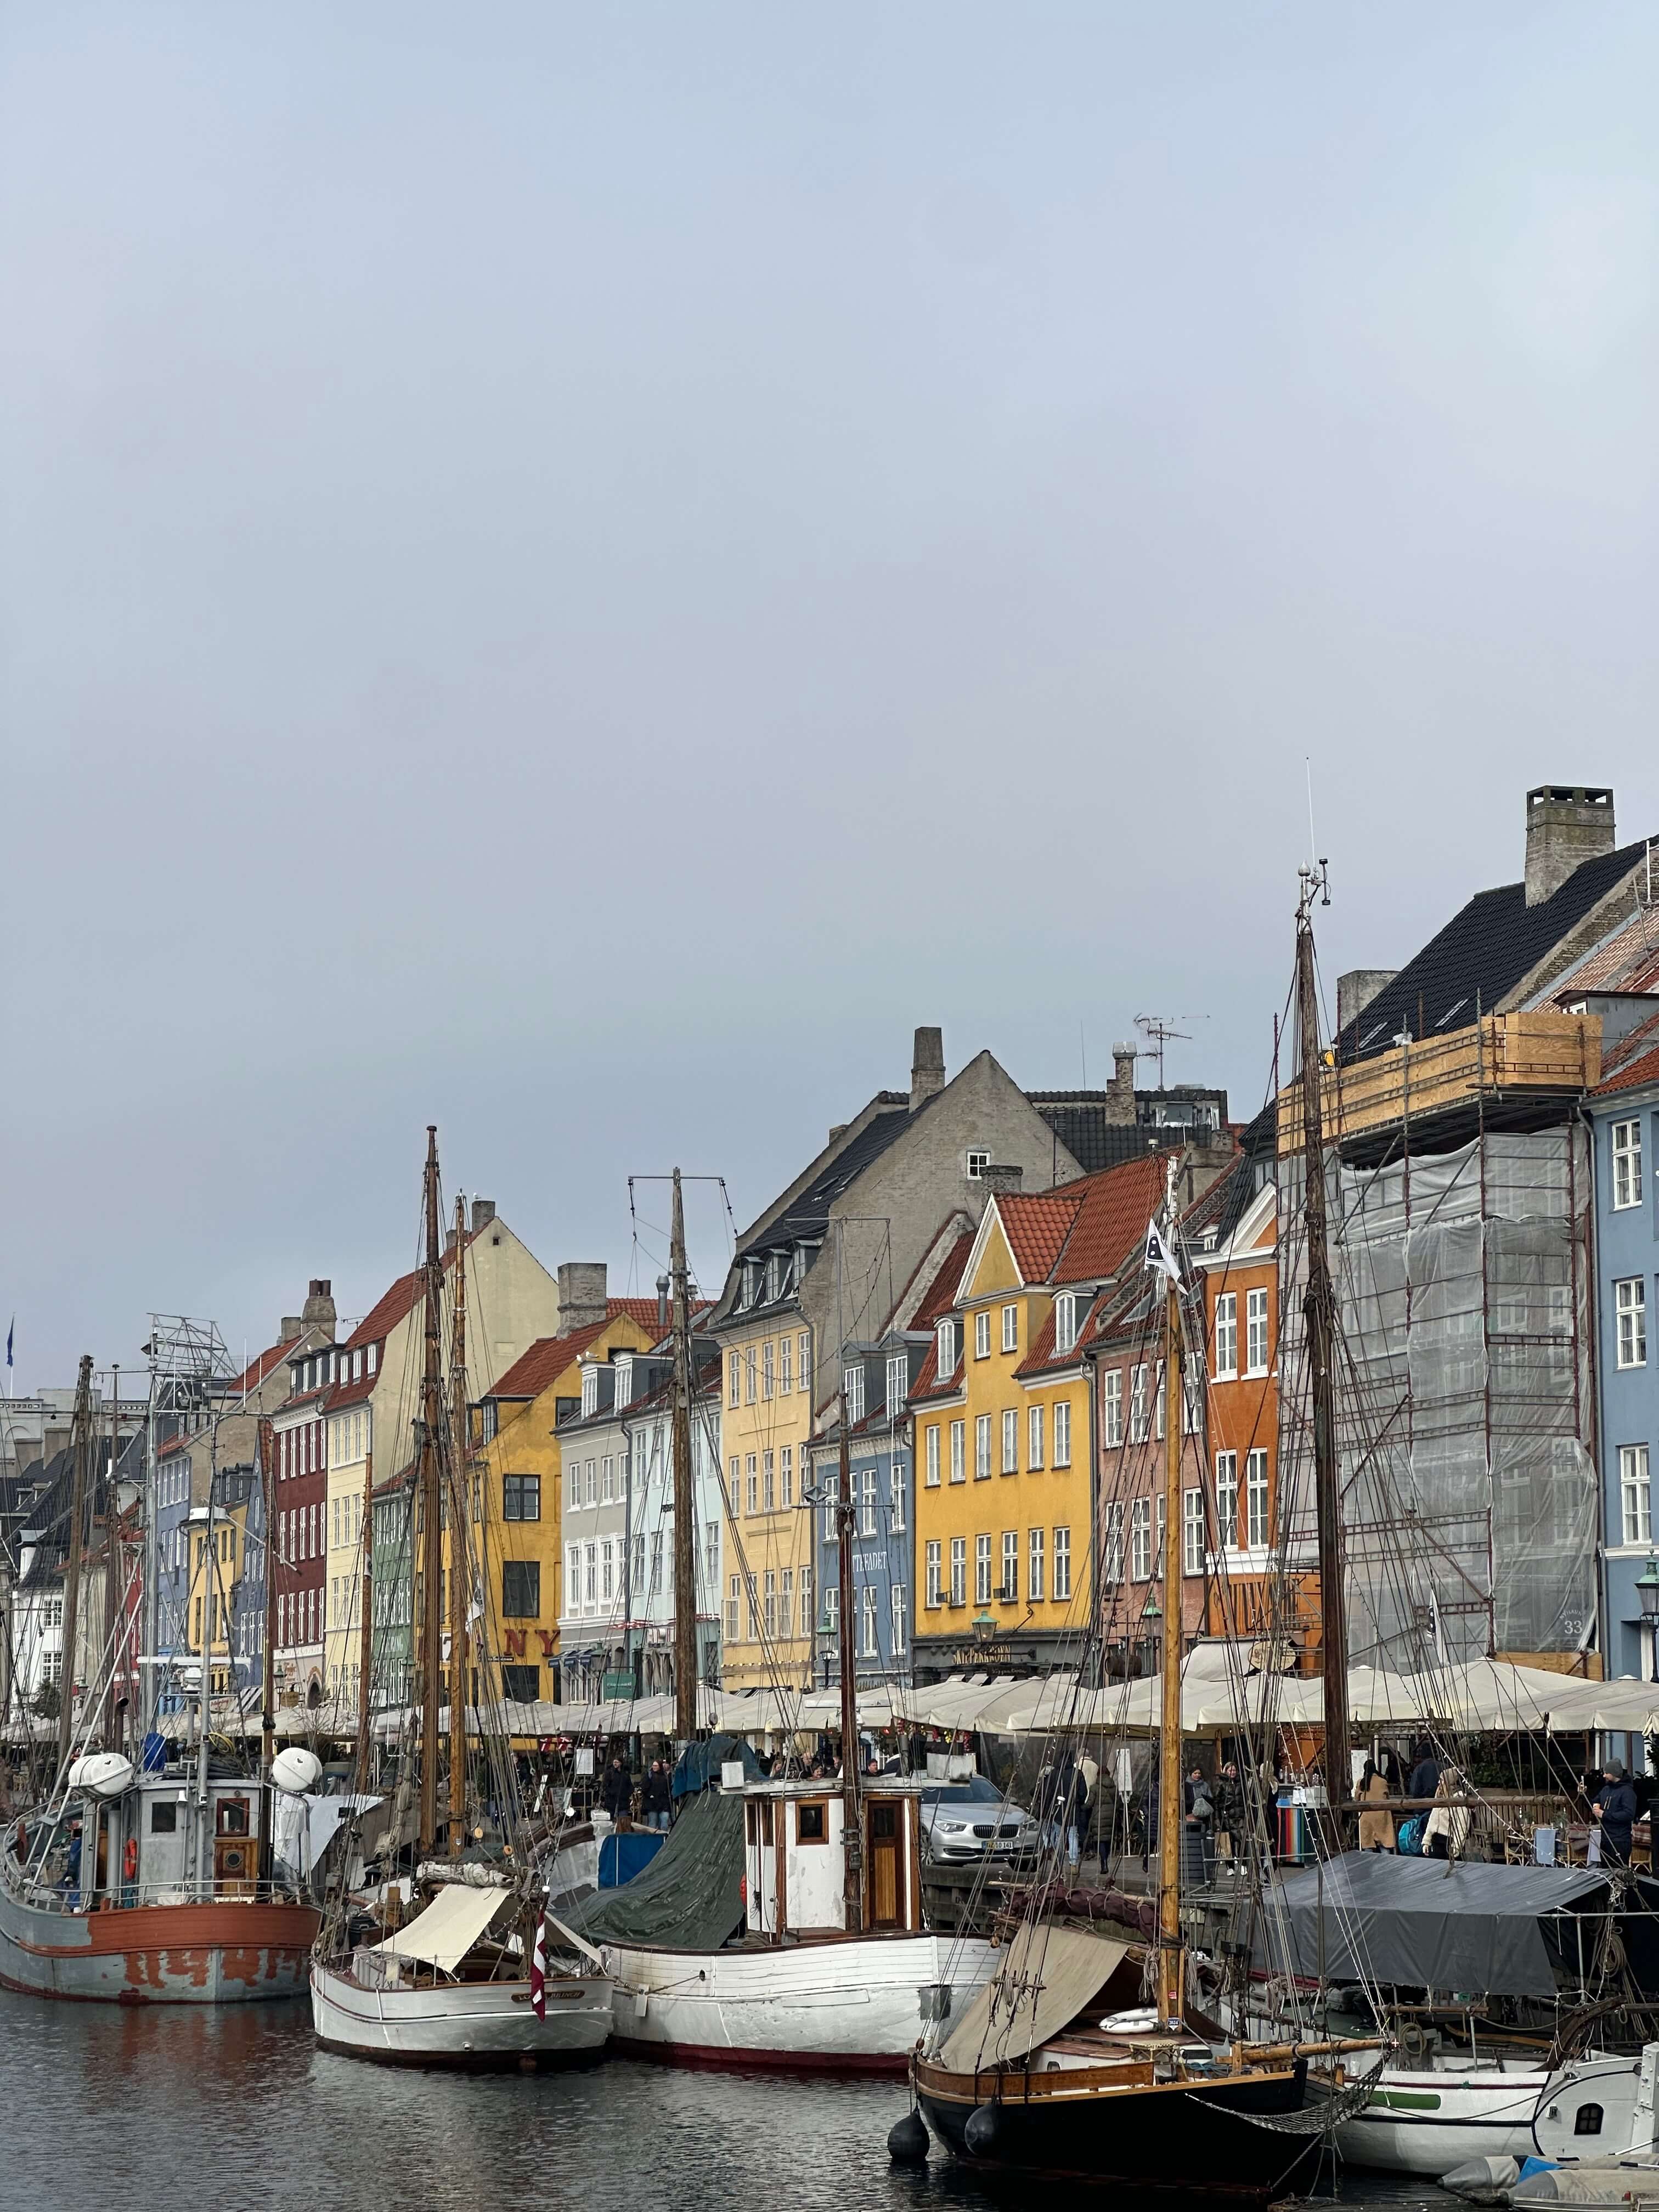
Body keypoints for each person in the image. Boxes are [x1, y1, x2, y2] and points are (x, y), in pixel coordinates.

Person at [1593, 1764, 1638, 1864]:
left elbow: (1628, 1815)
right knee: (1606, 1871)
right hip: (1605, 1839)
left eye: (1607, 1773)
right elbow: (1595, 1801)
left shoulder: (1627, 1792)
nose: (1604, 1776)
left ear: (1614, 1774)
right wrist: (1584, 1795)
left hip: (1620, 1840)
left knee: (1619, 1872)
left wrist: (1605, 1814)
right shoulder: (1606, 1789)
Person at [1424, 1767, 1469, 1861]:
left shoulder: (1459, 1800)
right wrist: (1427, 1840)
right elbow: (1433, 1819)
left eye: (1442, 1781)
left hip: (1450, 1842)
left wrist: (1456, 1848)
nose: (1439, 1784)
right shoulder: (1441, 1797)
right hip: (1436, 1841)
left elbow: (1462, 1826)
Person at [1357, 1758, 1395, 1853]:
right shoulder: (1383, 1782)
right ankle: (1387, 1866)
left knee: (1368, 1846)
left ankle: (1369, 1866)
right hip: (1381, 1815)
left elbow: (1357, 1799)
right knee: (1384, 1844)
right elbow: (1387, 1797)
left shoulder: (1361, 1783)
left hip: (1366, 1816)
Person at [600, 1754, 634, 1827]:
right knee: (611, 1822)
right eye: (614, 1762)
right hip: (611, 1801)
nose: (615, 1764)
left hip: (623, 1801)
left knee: (623, 1822)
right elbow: (605, 1786)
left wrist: (626, 1794)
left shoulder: (625, 1774)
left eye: (617, 1762)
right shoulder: (610, 1773)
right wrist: (612, 1793)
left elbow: (630, 1787)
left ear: (621, 1763)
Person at [1407, 1739, 1443, 1804]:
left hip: (1424, 1806)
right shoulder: (1444, 1767)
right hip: (1441, 1805)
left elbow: (1414, 1791)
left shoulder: (1419, 1769)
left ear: (1422, 1755)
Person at [640, 1759, 672, 1832]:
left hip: (664, 1804)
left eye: (656, 1766)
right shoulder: (649, 1775)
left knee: (664, 1824)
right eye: (653, 1766)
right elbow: (644, 1788)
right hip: (652, 1804)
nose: (654, 1767)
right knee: (653, 1825)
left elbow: (669, 1788)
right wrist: (650, 1795)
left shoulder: (665, 1776)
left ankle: (664, 1839)